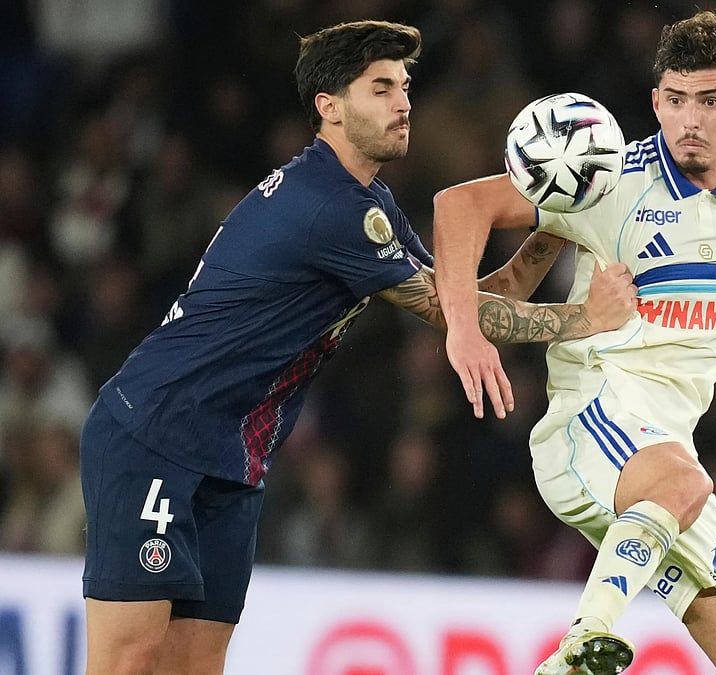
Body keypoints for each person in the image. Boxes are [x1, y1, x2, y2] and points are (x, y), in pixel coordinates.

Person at [78, 20, 637, 675]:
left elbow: (472, 295)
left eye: (404, 86)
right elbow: (450, 310)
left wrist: (555, 220)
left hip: (232, 459)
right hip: (155, 432)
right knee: (131, 656)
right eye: (381, 88)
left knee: (195, 663)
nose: (404, 102)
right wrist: (580, 319)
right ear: (330, 107)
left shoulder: (368, 204)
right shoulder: (330, 207)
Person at [433, 10, 716, 675]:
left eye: (709, 100)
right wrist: (464, 328)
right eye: (675, 99)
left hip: (665, 471)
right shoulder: (607, 180)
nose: (689, 118)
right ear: (655, 102)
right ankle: (581, 646)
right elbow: (459, 206)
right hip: (588, 424)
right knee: (682, 478)